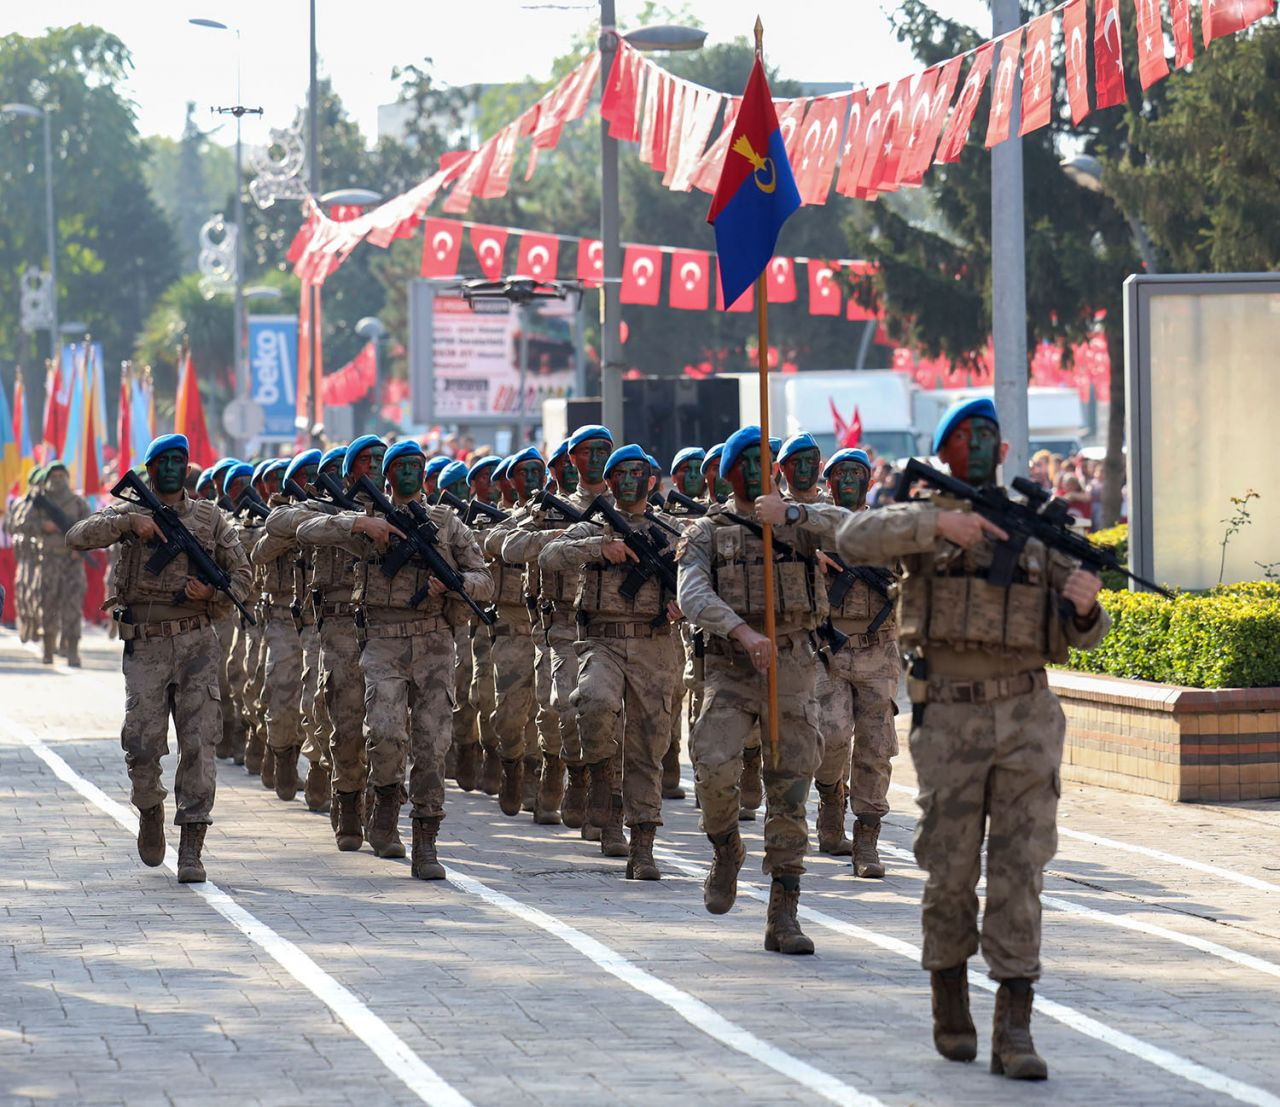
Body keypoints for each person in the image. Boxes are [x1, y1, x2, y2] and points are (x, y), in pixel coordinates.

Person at [835, 397, 1110, 1080]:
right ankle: (948, 993)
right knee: (950, 867)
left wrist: (1085, 606)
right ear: (947, 448)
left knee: (1021, 869)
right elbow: (850, 539)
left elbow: (1083, 633)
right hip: (950, 717)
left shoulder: (1036, 529)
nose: (983, 444)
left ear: (1006, 453)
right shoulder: (926, 522)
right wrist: (938, 521)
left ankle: (1014, 1023)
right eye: (969, 434)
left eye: (992, 435)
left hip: (1027, 714)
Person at [677, 426, 848, 955]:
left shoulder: (799, 522)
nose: (758, 469)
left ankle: (783, 912)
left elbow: (855, 529)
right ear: (729, 472)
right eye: (746, 461)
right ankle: (725, 846)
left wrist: (794, 514)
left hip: (793, 666)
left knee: (790, 784)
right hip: (732, 666)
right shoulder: (708, 531)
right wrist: (742, 631)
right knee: (713, 764)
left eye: (765, 461)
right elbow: (691, 593)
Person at [298, 439, 492, 880]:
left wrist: (458, 582)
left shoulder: (447, 524)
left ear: (424, 475)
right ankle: (383, 798)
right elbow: (306, 530)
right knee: (383, 734)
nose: (406, 473)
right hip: (382, 639)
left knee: (431, 745)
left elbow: (485, 580)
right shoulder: (370, 520)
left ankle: (426, 840)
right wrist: (360, 525)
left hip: (435, 642)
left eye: (414, 466)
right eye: (398, 466)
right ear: (387, 476)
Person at [66, 434, 251, 883]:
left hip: (196, 643)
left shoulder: (211, 519)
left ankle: (192, 846)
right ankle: (149, 806)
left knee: (199, 744)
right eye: (162, 461)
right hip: (146, 644)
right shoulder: (129, 513)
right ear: (148, 470)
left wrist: (212, 592)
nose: (170, 467)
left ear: (186, 467)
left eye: (178, 461)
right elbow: (78, 536)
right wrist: (131, 523)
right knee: (142, 743)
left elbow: (243, 577)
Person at [540, 444, 683, 877]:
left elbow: (701, 578)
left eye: (638, 473)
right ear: (610, 481)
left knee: (646, 750)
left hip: (654, 644)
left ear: (651, 481)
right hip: (600, 640)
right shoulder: (594, 526)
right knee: (594, 703)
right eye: (619, 474)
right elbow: (548, 556)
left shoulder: (670, 530)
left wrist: (682, 604)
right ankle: (599, 773)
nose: (629, 481)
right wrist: (599, 549)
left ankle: (642, 844)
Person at [811, 447, 901, 875]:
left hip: (878, 650)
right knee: (830, 735)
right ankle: (831, 796)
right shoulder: (814, 528)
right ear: (828, 482)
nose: (848, 480)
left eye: (857, 474)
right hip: (830, 649)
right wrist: (813, 561)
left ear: (868, 481)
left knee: (876, 746)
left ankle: (867, 839)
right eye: (840, 474)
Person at [22, 459, 90, 666]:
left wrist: (81, 549)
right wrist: (44, 526)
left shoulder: (78, 502)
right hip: (49, 561)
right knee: (48, 604)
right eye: (54, 476)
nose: (58, 480)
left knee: (72, 606)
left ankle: (72, 650)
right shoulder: (39, 501)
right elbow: (23, 524)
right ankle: (48, 648)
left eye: (62, 476)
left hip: (72, 562)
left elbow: (92, 529)